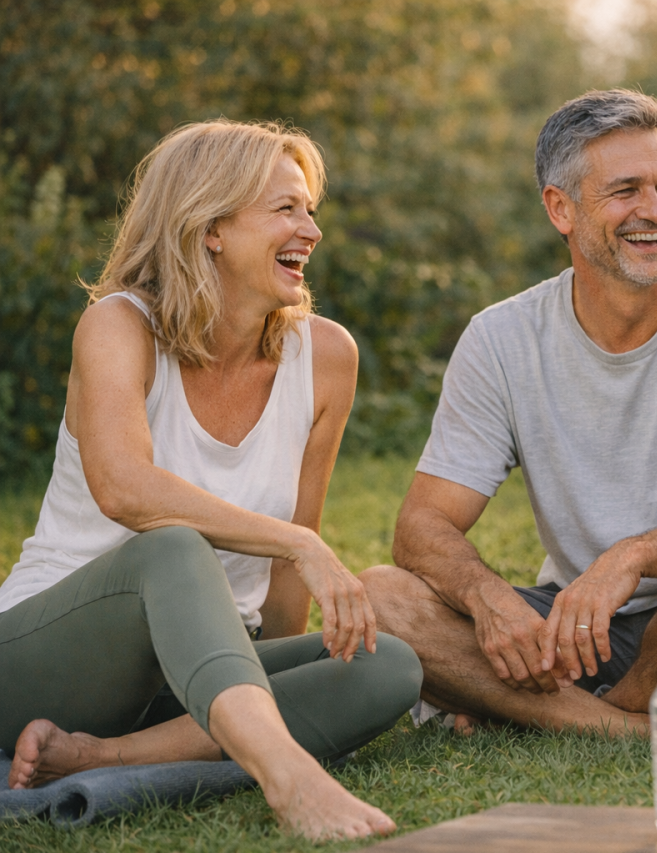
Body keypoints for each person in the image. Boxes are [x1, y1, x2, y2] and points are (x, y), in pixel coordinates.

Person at [0, 120, 422, 839]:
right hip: (52, 660)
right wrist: (295, 542)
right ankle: (286, 774)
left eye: (310, 209)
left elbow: (289, 574)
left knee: (388, 665)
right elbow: (126, 489)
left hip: (194, 673)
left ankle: (100, 758)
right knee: (173, 545)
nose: (310, 229)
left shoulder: (325, 357)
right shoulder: (117, 327)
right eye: (286, 208)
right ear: (212, 225)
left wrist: (277, 640)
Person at [361, 89, 657, 736]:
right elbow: (421, 527)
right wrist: (489, 599)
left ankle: (544, 712)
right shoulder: (502, 338)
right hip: (575, 624)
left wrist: (632, 556)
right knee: (379, 596)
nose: (656, 211)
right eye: (626, 190)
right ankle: (625, 723)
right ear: (561, 207)